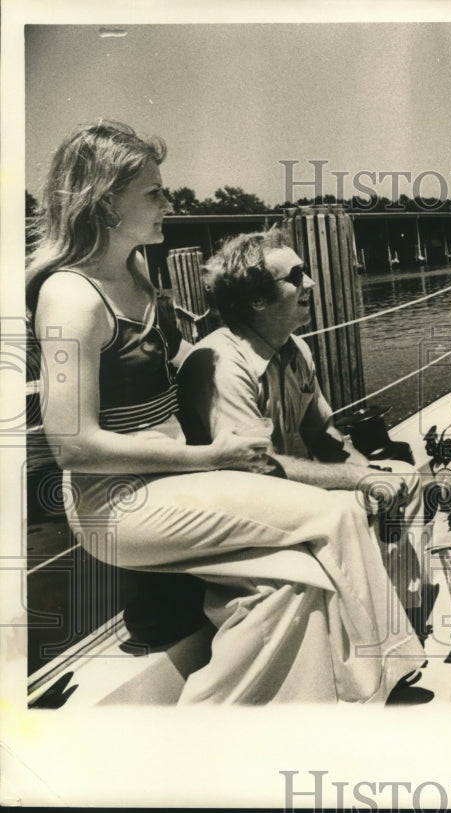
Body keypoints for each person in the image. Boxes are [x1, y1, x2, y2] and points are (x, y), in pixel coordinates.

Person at [27, 120, 427, 704]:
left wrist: (229, 352)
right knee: (337, 515)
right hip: (117, 504)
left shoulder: (135, 272)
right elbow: (71, 446)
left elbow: (158, 358)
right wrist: (210, 455)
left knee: (294, 583)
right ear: (107, 202)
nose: (169, 203)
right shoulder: (68, 297)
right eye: (154, 193)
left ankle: (218, 720)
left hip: (172, 485)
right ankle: (380, 683)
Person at [175, 228, 427, 617]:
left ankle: (402, 614)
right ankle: (373, 621)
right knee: (357, 505)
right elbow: (257, 467)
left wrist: (371, 473)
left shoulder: (295, 349)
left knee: (405, 479)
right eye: (295, 277)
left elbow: (322, 434)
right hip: (248, 511)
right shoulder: (222, 364)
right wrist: (358, 479)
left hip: (291, 491)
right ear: (257, 299)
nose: (309, 283)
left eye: (305, 271)